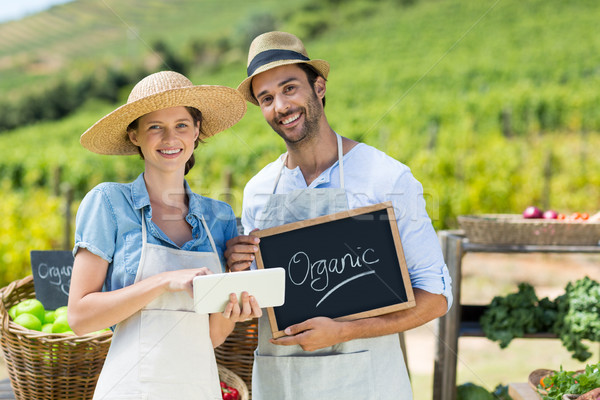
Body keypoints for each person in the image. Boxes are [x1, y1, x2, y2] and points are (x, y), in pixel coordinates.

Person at [225, 31, 453, 399]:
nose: (280, 106)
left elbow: (436, 297)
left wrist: (346, 331)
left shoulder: (385, 177)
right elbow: (260, 302)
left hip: (364, 382)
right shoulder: (259, 191)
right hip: (283, 382)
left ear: (319, 86)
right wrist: (237, 273)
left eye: (289, 88)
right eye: (266, 98)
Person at [68, 70, 262, 400]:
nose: (170, 138)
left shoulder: (220, 217)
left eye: (181, 125)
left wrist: (236, 288)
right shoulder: (110, 203)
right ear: (135, 135)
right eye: (155, 127)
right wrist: (164, 281)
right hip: (129, 389)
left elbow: (212, 336)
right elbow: (80, 317)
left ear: (197, 130)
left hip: (198, 388)